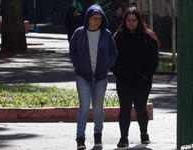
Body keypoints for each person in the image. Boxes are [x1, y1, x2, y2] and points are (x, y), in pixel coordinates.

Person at [69, 4, 117, 150]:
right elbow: (72, 52)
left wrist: (107, 66)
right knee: (84, 107)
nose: (97, 21)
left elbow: (114, 51)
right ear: (88, 18)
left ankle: (98, 136)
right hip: (83, 76)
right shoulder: (79, 33)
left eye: (100, 19)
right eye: (94, 18)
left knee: (98, 109)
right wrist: (78, 66)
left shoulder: (106, 34)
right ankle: (80, 139)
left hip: (101, 77)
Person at [111, 7, 160, 147]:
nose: (131, 23)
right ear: (124, 21)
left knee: (140, 107)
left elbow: (154, 60)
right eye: (128, 20)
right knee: (125, 108)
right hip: (124, 80)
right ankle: (123, 138)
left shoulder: (149, 38)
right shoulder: (118, 37)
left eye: (134, 20)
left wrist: (145, 76)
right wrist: (118, 73)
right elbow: (112, 57)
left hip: (142, 81)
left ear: (139, 21)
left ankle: (144, 134)